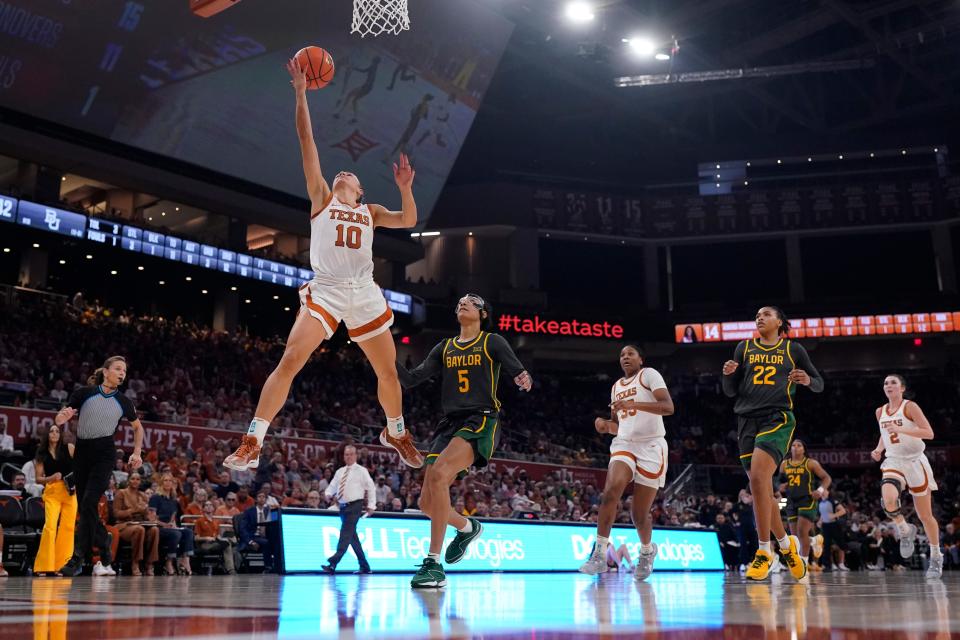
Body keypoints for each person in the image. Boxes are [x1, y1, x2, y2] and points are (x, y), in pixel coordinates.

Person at [224, 57, 421, 473]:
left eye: (349, 174)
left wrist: (405, 189)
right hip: (328, 289)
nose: (342, 173)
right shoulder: (322, 198)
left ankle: (395, 431)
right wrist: (299, 92)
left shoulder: (371, 210)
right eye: (340, 172)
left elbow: (408, 221)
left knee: (388, 373)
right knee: (291, 360)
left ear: (360, 189)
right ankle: (253, 441)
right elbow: (306, 140)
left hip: (364, 293)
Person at [396, 293, 532, 588]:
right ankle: (468, 527)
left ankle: (433, 564)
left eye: (471, 301)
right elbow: (410, 379)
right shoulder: (444, 347)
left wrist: (523, 377)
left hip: (481, 420)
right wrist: (382, 356)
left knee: (441, 475)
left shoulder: (492, 341)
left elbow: (517, 369)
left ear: (483, 313)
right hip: (449, 425)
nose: (462, 302)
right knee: (426, 504)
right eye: (459, 301)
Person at [721, 306, 823, 581]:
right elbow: (730, 391)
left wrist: (807, 379)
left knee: (757, 479)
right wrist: (728, 374)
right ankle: (786, 544)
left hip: (777, 418)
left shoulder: (794, 350)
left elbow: (819, 384)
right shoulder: (744, 348)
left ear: (779, 322)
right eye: (756, 314)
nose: (759, 317)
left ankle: (764, 552)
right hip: (745, 421)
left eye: (766, 314)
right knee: (761, 488)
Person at [579, 345, 674, 581]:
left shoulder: (649, 375)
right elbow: (617, 426)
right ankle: (599, 554)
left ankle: (647, 551)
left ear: (641, 359)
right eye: (622, 355)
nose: (625, 357)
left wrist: (634, 404)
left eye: (630, 353)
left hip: (651, 445)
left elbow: (668, 407)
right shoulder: (615, 387)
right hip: (624, 444)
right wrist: (604, 426)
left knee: (639, 515)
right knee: (611, 490)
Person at [55, 356, 144, 577]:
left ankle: (77, 559)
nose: (122, 373)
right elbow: (60, 418)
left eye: (124, 370)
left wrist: (137, 452)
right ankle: (104, 542)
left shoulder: (123, 401)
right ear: (106, 371)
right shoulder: (84, 393)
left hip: (104, 453)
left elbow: (138, 428)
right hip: (82, 452)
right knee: (86, 508)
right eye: (118, 369)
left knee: (88, 502)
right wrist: (61, 418)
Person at [871, 373, 942, 578]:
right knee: (888, 499)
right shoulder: (880, 411)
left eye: (893, 382)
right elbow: (885, 435)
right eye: (885, 383)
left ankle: (936, 556)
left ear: (902, 388)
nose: (888, 385)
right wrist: (878, 449)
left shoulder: (910, 407)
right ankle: (904, 529)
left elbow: (929, 433)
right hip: (894, 461)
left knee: (925, 516)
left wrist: (903, 431)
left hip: (915, 461)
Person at [322, 445, 375, 574]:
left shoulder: (361, 470)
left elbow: (371, 487)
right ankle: (365, 566)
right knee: (352, 538)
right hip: (343, 507)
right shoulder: (340, 471)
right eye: (346, 454)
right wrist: (328, 494)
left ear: (356, 455)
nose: (349, 456)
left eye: (351, 454)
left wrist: (371, 505)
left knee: (345, 534)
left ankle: (333, 563)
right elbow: (332, 486)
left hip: (355, 505)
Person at [33, 423, 77, 575]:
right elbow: (38, 479)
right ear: (47, 435)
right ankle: (44, 566)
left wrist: (76, 480)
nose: (55, 433)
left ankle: (62, 566)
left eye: (57, 431)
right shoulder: (41, 453)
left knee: (68, 528)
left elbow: (82, 464)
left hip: (70, 491)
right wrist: (51, 477)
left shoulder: (69, 448)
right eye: (52, 431)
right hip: (52, 491)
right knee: (50, 527)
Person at [779, 439, 830, 560]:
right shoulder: (784, 464)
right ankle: (814, 540)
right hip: (791, 501)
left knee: (802, 532)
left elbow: (826, 478)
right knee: (796, 537)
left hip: (807, 500)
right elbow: (780, 481)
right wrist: (780, 486)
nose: (795, 447)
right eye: (793, 445)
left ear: (804, 449)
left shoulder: (810, 463)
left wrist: (820, 491)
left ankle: (804, 564)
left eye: (799, 445)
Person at [112, 473, 160, 576]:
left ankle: (149, 563)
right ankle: (135, 563)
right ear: (129, 480)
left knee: (154, 530)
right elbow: (116, 514)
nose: (135, 481)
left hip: (140, 523)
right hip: (123, 525)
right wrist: (134, 510)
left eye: (138, 479)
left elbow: (147, 515)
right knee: (139, 529)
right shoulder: (121, 493)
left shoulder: (142, 495)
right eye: (133, 478)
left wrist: (146, 512)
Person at [149, 474, 194, 575]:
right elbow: (151, 519)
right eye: (165, 480)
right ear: (161, 483)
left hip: (169, 528)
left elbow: (173, 518)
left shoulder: (174, 500)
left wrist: (173, 525)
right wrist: (165, 525)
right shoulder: (155, 498)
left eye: (170, 481)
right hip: (158, 528)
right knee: (176, 534)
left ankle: (185, 559)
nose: (168, 482)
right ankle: (169, 561)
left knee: (188, 532)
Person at [238, 490, 278, 572]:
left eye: (263, 497)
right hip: (253, 536)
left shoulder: (269, 511)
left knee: (277, 542)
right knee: (267, 543)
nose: (262, 498)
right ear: (256, 499)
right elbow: (242, 529)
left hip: (265, 537)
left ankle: (278, 566)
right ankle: (268, 567)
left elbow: (274, 525)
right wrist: (250, 542)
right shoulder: (249, 511)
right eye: (260, 496)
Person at [194, 500, 236, 574]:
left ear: (213, 508)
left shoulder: (216, 521)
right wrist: (206, 537)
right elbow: (196, 538)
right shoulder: (199, 521)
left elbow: (218, 535)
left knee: (227, 543)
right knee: (226, 544)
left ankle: (230, 569)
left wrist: (223, 538)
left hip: (215, 542)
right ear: (203, 508)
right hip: (205, 544)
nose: (209, 506)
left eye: (210, 505)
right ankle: (230, 569)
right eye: (206, 505)